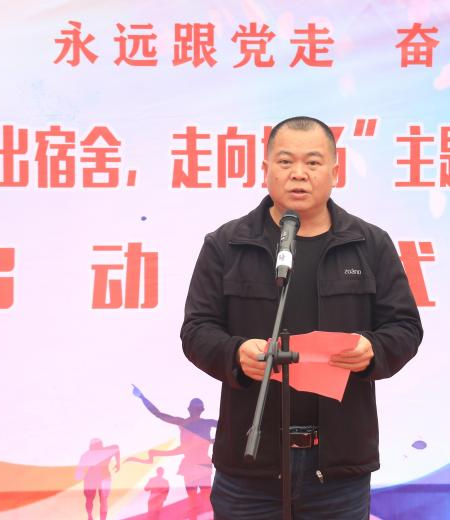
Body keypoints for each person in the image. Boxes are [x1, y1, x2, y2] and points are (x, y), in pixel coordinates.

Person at [180, 116, 423, 519]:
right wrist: (235, 354)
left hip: (338, 469)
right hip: (250, 464)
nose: (298, 174)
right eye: (285, 162)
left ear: (335, 172)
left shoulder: (369, 244)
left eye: (312, 162)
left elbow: (405, 327)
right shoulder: (227, 244)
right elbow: (196, 330)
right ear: (265, 170)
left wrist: (372, 350)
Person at [127, 386, 218, 517]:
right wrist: (212, 440)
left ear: (190, 409)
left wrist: (142, 397)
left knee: (195, 500)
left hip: (193, 465)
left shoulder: (185, 422)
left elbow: (158, 414)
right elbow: (227, 428)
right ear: (201, 410)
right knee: (203, 499)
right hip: (199, 464)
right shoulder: (205, 422)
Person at [75, 438, 120, 520]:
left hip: (99, 478)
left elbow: (116, 448)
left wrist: (118, 463)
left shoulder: (87, 455)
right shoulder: (87, 455)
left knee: (100, 499)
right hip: (95, 478)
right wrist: (118, 463)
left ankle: (92, 516)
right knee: (96, 499)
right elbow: (116, 448)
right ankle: (90, 516)